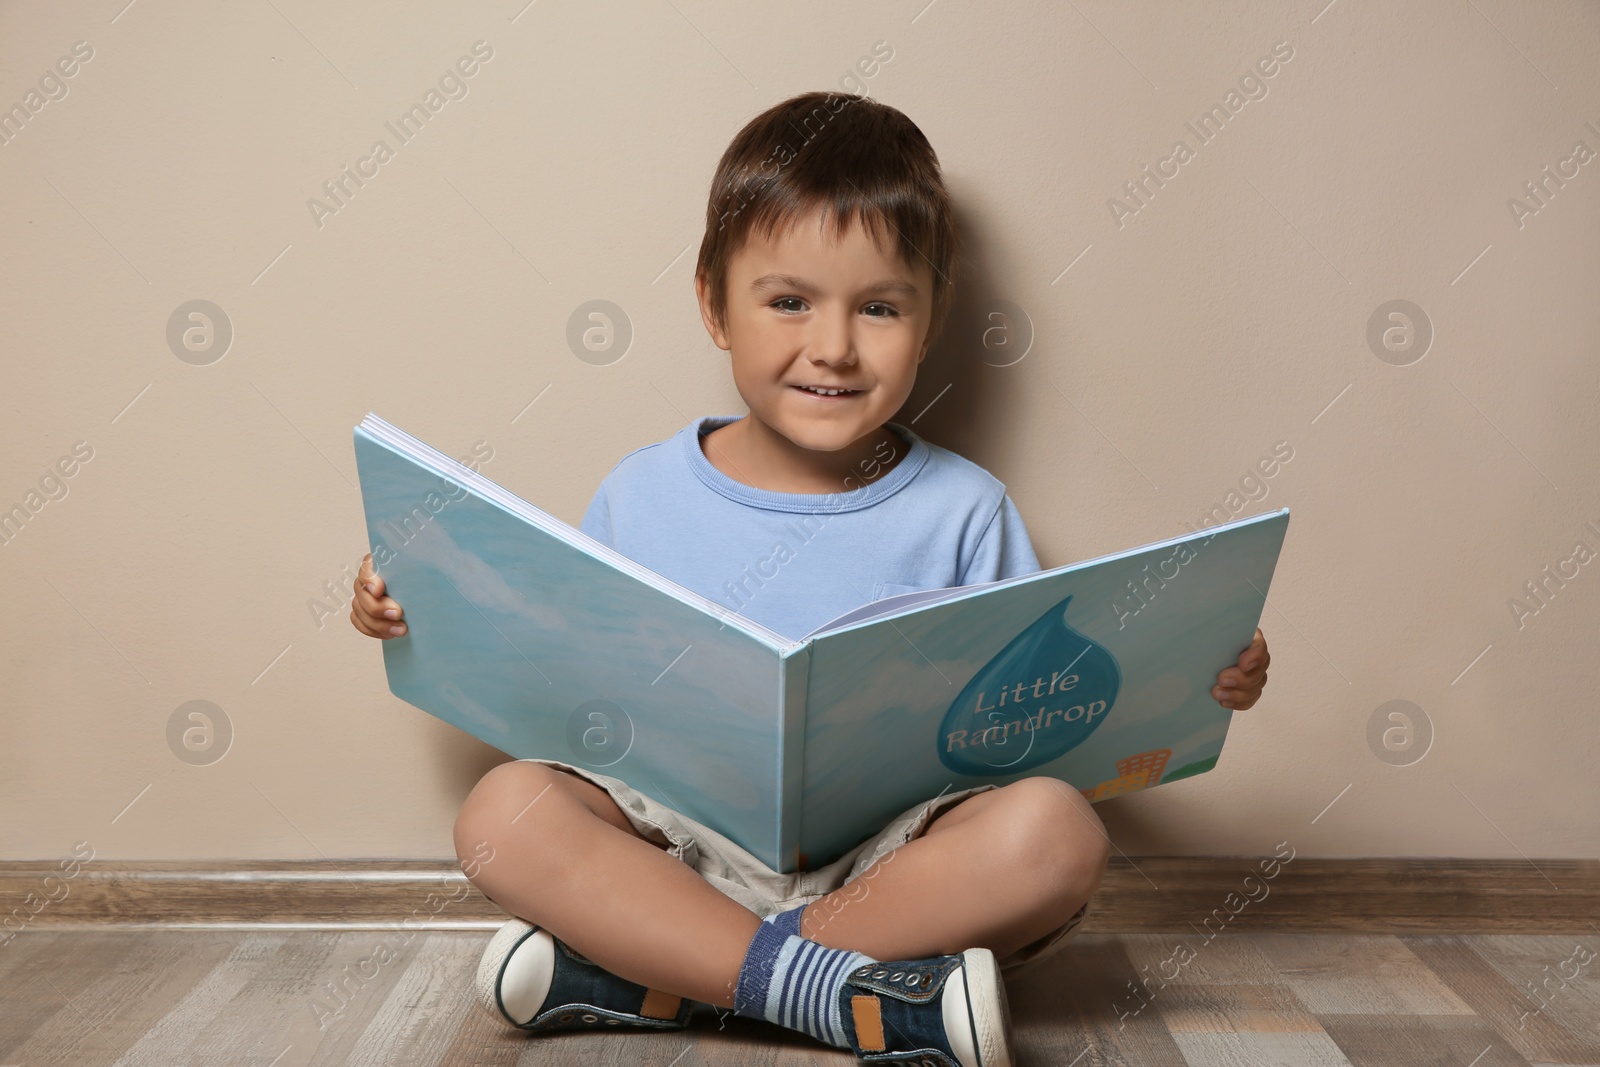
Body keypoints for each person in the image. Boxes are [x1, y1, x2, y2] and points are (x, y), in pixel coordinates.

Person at [350, 90, 1271, 1066]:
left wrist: (1190, 670)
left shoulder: (965, 508)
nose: (832, 346)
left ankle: (670, 977)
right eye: (788, 301)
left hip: (894, 863)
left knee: (1058, 831)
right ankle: (843, 994)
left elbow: (1033, 725)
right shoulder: (640, 491)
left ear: (929, 318)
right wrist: (416, 605)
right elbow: (567, 686)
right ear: (713, 303)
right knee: (502, 812)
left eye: (877, 307)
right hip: (674, 849)